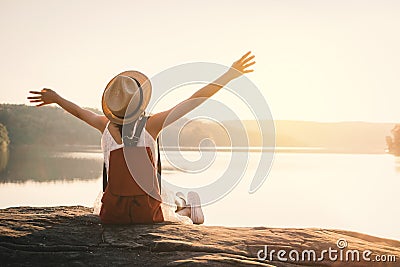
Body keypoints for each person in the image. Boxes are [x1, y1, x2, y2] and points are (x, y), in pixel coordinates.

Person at [27, 51, 255, 224]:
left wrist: (56, 99)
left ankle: (182, 205)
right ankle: (188, 209)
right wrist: (229, 75)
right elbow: (193, 101)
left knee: (151, 198)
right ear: (139, 102)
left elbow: (78, 111)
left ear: (112, 107)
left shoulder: (103, 125)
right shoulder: (151, 125)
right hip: (146, 212)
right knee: (171, 208)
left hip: (113, 214)